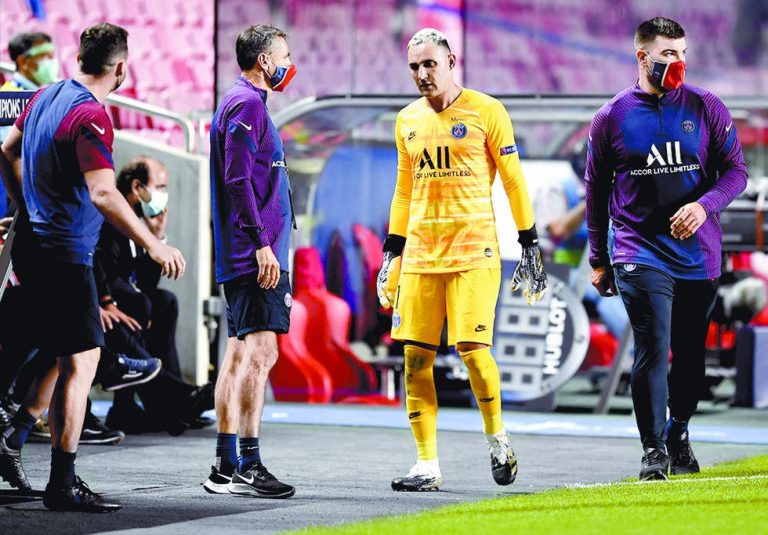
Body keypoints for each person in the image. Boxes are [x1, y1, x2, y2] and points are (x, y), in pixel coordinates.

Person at [0, 23, 185, 511]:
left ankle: (14, 439)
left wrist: (24, 204)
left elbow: (6, 149)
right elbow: (104, 192)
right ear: (121, 67)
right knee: (80, 363)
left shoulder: (42, 97)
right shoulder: (91, 116)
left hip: (34, 248)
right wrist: (152, 244)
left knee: (55, 355)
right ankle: (62, 483)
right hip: (64, 255)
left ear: (79, 56)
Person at [377, 28, 548, 492]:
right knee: (414, 359)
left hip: (475, 253)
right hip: (420, 256)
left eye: (430, 64)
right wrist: (392, 252)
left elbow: (512, 180)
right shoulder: (406, 120)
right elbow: (404, 190)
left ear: (452, 61)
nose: (422, 74)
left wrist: (529, 242)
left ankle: (498, 439)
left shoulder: (486, 110)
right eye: (414, 67)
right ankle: (426, 464)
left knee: (473, 353)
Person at [585, 17, 748, 481]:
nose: (677, 62)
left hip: (699, 255)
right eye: (667, 55)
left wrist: (704, 205)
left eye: (681, 53)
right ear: (642, 57)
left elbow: (736, 171)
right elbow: (595, 192)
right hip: (639, 250)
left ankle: (678, 429)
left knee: (691, 359)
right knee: (653, 345)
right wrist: (600, 257)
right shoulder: (612, 116)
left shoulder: (706, 106)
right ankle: (653, 450)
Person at [203, 24, 296, 499]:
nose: (288, 63)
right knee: (261, 353)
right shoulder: (247, 105)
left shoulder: (242, 104)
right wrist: (262, 243)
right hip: (253, 255)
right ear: (264, 60)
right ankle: (248, 465)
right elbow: (237, 180)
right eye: (283, 55)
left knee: (240, 353)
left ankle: (224, 464)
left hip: (249, 252)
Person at [0, 32, 59, 217]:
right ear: (23, 61)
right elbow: (9, 153)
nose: (52, 62)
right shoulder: (8, 98)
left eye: (53, 56)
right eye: (46, 57)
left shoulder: (42, 99)